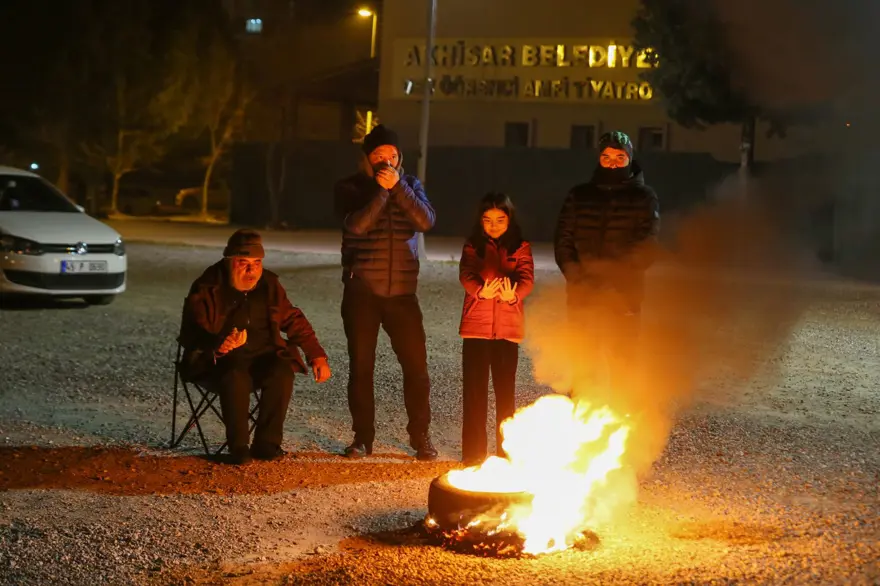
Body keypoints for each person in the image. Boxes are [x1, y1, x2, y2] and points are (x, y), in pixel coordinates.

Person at [179, 229, 332, 465]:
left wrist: (316, 355)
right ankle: (239, 447)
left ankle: (267, 444)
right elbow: (191, 333)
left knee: (282, 372)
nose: (251, 271)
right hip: (220, 362)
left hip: (263, 355)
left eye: (257, 263)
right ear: (229, 261)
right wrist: (218, 345)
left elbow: (293, 319)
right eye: (244, 263)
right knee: (235, 376)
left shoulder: (269, 284)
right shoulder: (207, 287)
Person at [333, 124, 438, 461]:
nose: (386, 160)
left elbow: (426, 221)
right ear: (368, 158)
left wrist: (399, 189)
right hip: (362, 291)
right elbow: (357, 225)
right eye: (379, 155)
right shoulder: (350, 187)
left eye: (391, 155)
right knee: (362, 368)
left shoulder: (411, 186)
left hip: (403, 294)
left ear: (399, 157)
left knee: (416, 368)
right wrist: (382, 191)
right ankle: (362, 438)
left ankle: (420, 436)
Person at [553, 130, 660, 386]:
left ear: (630, 159)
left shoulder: (644, 197)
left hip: (624, 297)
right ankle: (582, 407)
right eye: (607, 157)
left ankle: (622, 409)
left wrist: (616, 282)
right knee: (583, 360)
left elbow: (647, 246)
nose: (613, 164)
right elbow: (563, 241)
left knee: (622, 363)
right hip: (583, 294)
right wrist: (578, 278)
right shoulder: (579, 195)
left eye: (619, 157)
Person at [458, 193, 534, 466]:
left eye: (500, 220)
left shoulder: (521, 247)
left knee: (505, 394)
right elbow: (466, 274)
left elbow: (527, 279)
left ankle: (506, 453)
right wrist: (481, 291)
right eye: (487, 220)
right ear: (480, 221)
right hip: (476, 329)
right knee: (474, 392)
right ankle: (473, 454)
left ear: (509, 219)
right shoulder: (473, 246)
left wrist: (513, 294)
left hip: (507, 331)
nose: (494, 225)